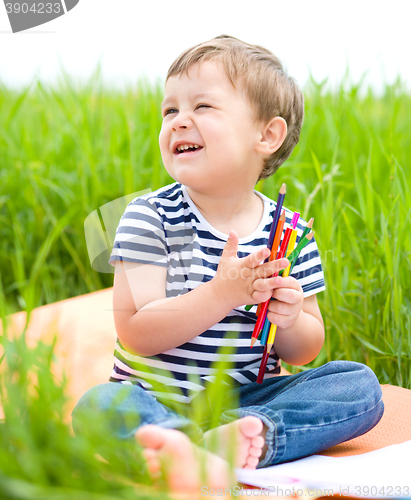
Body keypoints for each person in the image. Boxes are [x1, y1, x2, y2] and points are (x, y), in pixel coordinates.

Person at [72, 35, 384, 492]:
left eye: (202, 107)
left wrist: (292, 317)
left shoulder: (290, 232)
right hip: (154, 396)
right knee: (99, 404)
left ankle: (245, 437)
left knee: (358, 386)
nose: (179, 122)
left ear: (267, 135)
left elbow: (305, 351)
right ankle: (181, 443)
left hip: (249, 399)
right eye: (170, 110)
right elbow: (136, 333)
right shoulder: (149, 217)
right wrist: (222, 294)